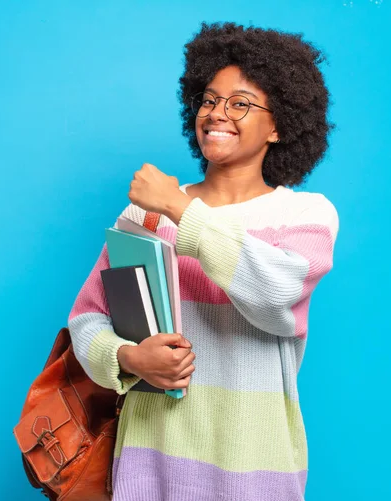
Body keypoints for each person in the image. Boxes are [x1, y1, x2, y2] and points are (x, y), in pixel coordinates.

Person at [68, 21, 339, 501]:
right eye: (210, 99)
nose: (217, 113)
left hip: (254, 468)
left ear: (279, 125)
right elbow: (88, 318)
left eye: (241, 103)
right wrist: (128, 358)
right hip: (147, 462)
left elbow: (277, 296)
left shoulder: (303, 214)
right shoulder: (143, 215)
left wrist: (180, 209)